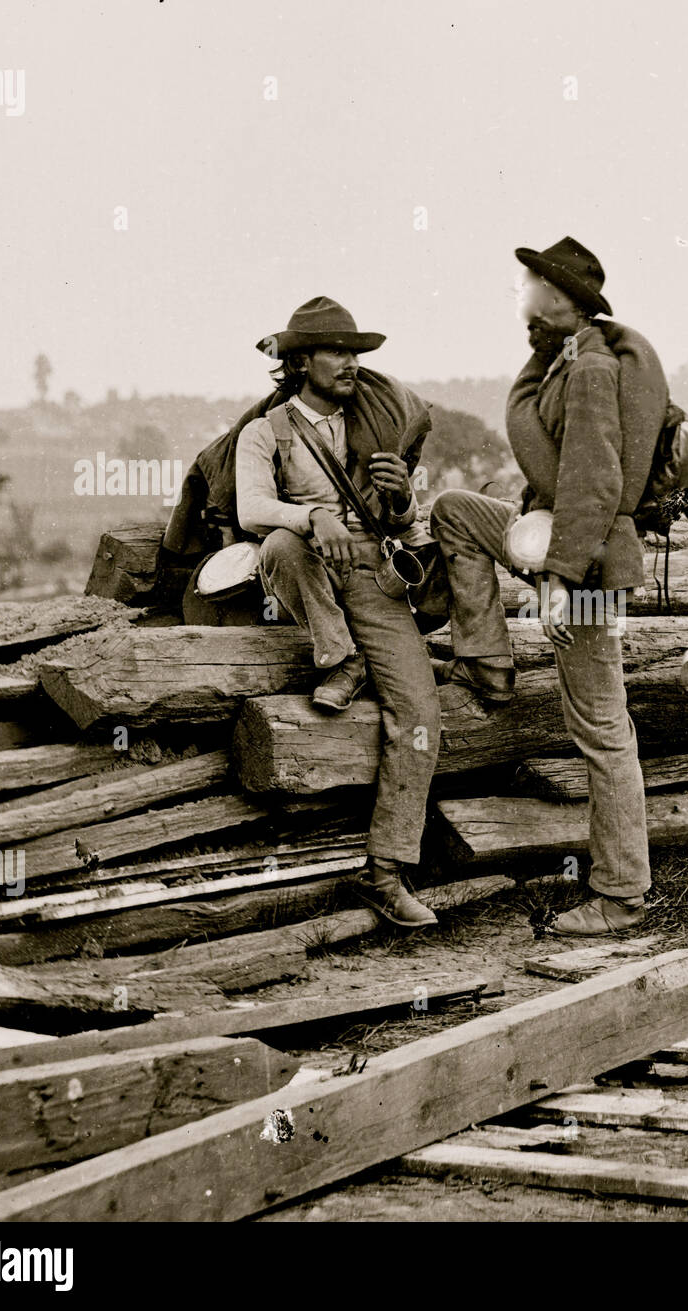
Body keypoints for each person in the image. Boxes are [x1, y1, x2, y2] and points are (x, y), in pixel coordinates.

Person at [430, 237, 668, 936]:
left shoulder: (591, 368)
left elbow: (596, 483)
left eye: (529, 285)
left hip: (588, 561)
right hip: (555, 535)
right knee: (454, 511)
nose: (520, 296)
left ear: (559, 295)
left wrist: (559, 579)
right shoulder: (559, 359)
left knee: (601, 728)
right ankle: (489, 661)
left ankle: (621, 895)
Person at [234, 295, 441, 928]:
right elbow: (251, 510)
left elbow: (401, 523)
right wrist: (311, 514)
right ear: (299, 362)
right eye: (335, 351)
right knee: (280, 543)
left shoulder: (375, 427)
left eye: (354, 351)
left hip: (373, 573)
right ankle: (339, 656)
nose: (349, 362)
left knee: (420, 711)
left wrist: (403, 500)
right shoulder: (265, 432)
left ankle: (386, 873)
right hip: (308, 566)